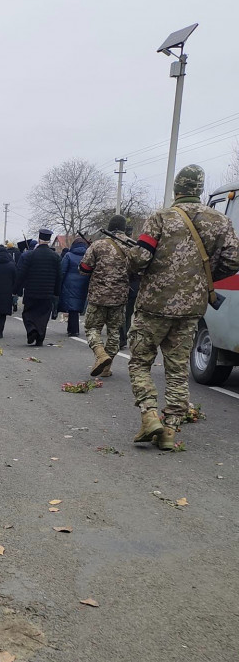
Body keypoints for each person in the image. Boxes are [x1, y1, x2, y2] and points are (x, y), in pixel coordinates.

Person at [126, 164, 239, 449]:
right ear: (199, 190)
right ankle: (170, 430)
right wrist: (204, 279)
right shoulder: (220, 221)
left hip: (153, 304)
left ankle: (150, 414)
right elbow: (234, 260)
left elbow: (139, 258)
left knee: (140, 362)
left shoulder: (161, 218)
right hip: (191, 308)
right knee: (177, 370)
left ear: (177, 189)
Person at [79, 214, 131, 376]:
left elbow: (84, 269)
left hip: (98, 297)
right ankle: (107, 367)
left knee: (92, 328)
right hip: (120, 297)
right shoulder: (131, 246)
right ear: (123, 228)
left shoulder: (98, 245)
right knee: (114, 331)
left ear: (109, 227)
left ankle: (100, 354)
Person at [14, 229, 60, 346]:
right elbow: (59, 276)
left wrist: (16, 289)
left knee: (28, 313)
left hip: (31, 291)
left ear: (39, 240)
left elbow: (22, 273)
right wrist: (57, 292)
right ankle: (40, 338)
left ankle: (31, 330)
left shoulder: (30, 255)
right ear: (49, 241)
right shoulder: (55, 257)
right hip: (47, 292)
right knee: (43, 315)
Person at [58, 237, 90, 336]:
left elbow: (62, 270)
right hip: (84, 281)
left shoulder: (68, 255)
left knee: (72, 305)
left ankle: (73, 329)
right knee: (77, 304)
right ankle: (73, 329)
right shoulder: (88, 256)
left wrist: (60, 283)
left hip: (70, 282)